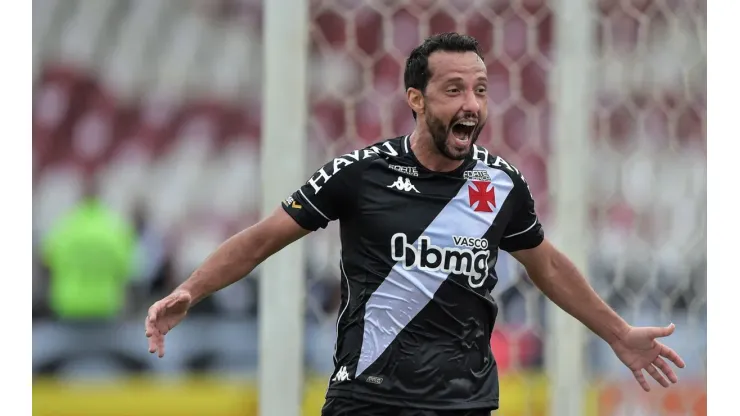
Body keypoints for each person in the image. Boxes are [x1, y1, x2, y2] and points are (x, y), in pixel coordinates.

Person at [144, 33, 685, 416]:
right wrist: (191, 289)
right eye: (454, 90)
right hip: (368, 396)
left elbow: (547, 266)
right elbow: (262, 239)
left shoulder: (501, 184)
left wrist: (617, 333)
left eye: (480, 89)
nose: (471, 104)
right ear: (416, 98)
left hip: (462, 400)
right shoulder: (359, 173)